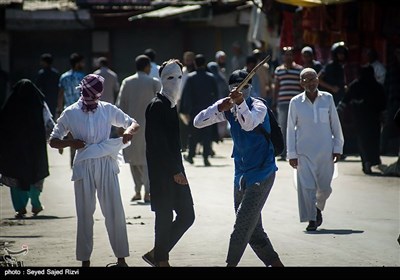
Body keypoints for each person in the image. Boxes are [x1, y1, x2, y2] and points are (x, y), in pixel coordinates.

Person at [193, 69, 284, 267]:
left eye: (244, 86)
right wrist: (219, 107)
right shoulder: (228, 108)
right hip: (241, 175)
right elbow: (198, 122)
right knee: (253, 229)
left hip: (263, 171)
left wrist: (241, 103)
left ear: (249, 88)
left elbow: (249, 124)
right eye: (235, 87)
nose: (239, 90)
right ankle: (275, 263)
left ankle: (230, 264)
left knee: (242, 224)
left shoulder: (258, 106)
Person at [49, 74, 139, 267]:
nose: (92, 100)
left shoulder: (107, 109)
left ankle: (121, 258)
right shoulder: (70, 112)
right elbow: (53, 141)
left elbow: (133, 123)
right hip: (83, 166)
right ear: (83, 93)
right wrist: (71, 142)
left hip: (106, 162)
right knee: (84, 214)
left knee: (114, 211)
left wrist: (128, 133)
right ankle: (85, 260)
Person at [142, 59, 195, 267]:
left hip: (175, 169)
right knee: (163, 216)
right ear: (162, 79)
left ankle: (157, 253)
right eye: (170, 77)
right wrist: (174, 170)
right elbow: (157, 144)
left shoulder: (171, 106)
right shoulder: (157, 106)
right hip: (163, 172)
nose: (176, 82)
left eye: (179, 77)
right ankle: (162, 260)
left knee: (187, 215)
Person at [287, 68, 344, 231]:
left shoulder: (327, 98)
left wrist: (338, 147)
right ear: (301, 83)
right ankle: (311, 218)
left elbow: (335, 124)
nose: (310, 82)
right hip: (303, 152)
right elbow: (290, 129)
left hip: (325, 151)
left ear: (318, 80)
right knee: (307, 187)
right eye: (306, 80)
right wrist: (291, 154)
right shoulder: (295, 102)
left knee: (325, 187)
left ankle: (317, 208)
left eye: (313, 79)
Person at [0, 79, 53, 218]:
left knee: (16, 175)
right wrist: (55, 139)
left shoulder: (10, 105)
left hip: (15, 149)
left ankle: (20, 207)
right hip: (35, 147)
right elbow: (48, 122)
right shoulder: (39, 103)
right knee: (35, 173)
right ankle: (36, 204)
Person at [116, 55, 161, 203]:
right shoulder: (153, 82)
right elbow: (161, 103)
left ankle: (137, 191)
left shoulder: (127, 82)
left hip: (130, 127)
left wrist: (119, 126)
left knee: (133, 160)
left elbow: (120, 104)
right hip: (150, 127)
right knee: (148, 160)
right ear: (147, 67)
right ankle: (148, 192)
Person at [337, 65, 386, 174]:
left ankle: (366, 161)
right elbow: (383, 105)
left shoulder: (356, 85)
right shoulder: (377, 86)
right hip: (374, 120)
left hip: (360, 120)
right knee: (374, 141)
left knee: (363, 141)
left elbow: (345, 100)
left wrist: (337, 111)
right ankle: (373, 160)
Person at [180, 54, 218, 166]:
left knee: (193, 134)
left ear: (195, 63)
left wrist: (184, 110)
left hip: (195, 110)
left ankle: (191, 156)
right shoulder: (211, 77)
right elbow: (216, 95)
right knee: (207, 134)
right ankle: (206, 157)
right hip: (209, 110)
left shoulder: (191, 78)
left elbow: (186, 95)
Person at [273, 46, 303, 161]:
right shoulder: (278, 70)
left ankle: (296, 152)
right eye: (286, 54)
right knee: (283, 128)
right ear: (283, 56)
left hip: (296, 103)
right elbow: (276, 87)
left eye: (290, 54)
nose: (288, 56)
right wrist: (275, 101)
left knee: (297, 127)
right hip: (283, 103)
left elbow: (301, 87)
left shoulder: (299, 69)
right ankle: (284, 152)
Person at [57, 53, 85, 167]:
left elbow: (60, 95)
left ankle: (73, 164)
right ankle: (81, 162)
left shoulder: (63, 77)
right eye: (81, 62)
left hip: (68, 112)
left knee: (72, 138)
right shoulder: (82, 76)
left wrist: (59, 111)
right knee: (83, 138)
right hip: (82, 111)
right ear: (77, 63)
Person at [35, 53, 60, 118]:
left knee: (44, 116)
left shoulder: (41, 73)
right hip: (53, 98)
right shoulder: (56, 73)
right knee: (52, 116)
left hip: (44, 98)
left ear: (45, 62)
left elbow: (37, 86)